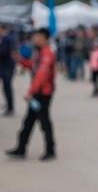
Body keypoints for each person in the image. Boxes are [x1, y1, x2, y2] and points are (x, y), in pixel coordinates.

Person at [5, 28, 57, 161]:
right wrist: (20, 60)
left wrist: (30, 92)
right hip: (38, 93)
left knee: (44, 122)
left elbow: (41, 75)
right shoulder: (39, 53)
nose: (34, 39)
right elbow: (33, 66)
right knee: (29, 121)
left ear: (43, 38)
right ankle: (21, 148)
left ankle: (50, 150)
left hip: (42, 94)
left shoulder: (47, 54)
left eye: (37, 37)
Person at [0, 24, 17, 116]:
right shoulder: (5, 39)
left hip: (7, 66)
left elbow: (10, 52)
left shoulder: (8, 39)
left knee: (7, 88)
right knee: (6, 88)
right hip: (4, 66)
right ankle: (8, 106)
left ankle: (10, 108)